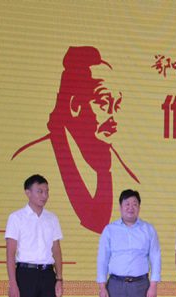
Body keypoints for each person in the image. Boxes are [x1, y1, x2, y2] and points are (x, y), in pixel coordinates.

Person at [12, 46, 138, 233]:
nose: (114, 117)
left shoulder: (122, 165)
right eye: (105, 103)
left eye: (117, 105)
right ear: (75, 105)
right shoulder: (31, 156)